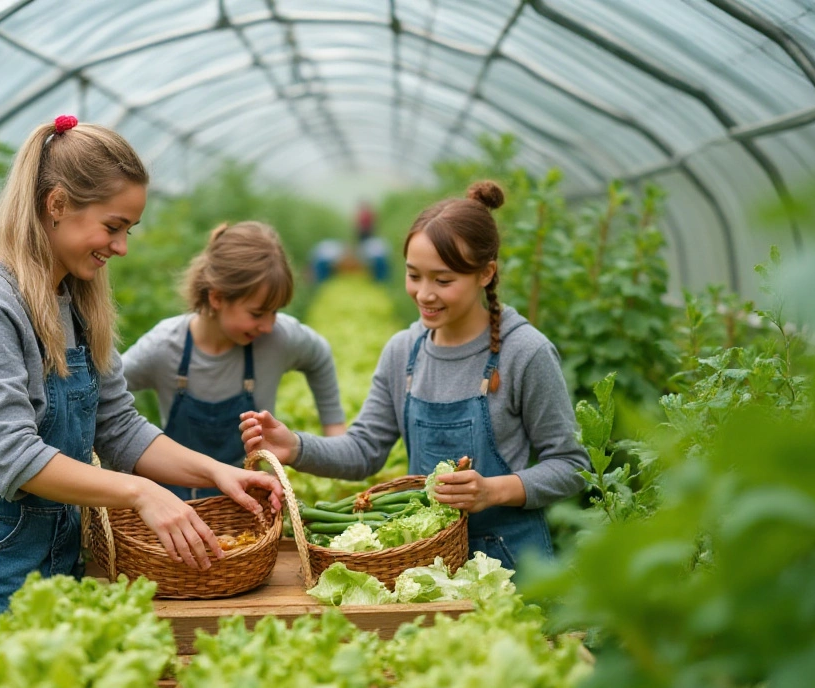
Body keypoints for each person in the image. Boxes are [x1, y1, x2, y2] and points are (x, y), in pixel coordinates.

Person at [0, 115, 281, 672]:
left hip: (61, 542)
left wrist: (216, 473)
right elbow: (12, 456)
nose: (121, 247)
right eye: (113, 227)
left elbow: (119, 429)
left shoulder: (76, 298)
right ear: (57, 203)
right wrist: (140, 492)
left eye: (128, 231)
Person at [240, 181, 587, 571]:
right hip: (426, 563)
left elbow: (571, 465)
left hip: (512, 563)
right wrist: (297, 447)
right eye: (414, 275)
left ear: (486, 274)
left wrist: (493, 490)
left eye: (443, 280)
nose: (424, 294)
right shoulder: (404, 351)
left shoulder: (525, 352)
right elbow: (365, 449)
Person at [123, 221, 347, 500]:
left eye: (275, 312)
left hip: (250, 506)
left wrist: (335, 431)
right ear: (217, 297)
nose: (267, 325)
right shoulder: (165, 347)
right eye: (257, 314)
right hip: (177, 509)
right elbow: (102, 393)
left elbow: (319, 355)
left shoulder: (277, 339)